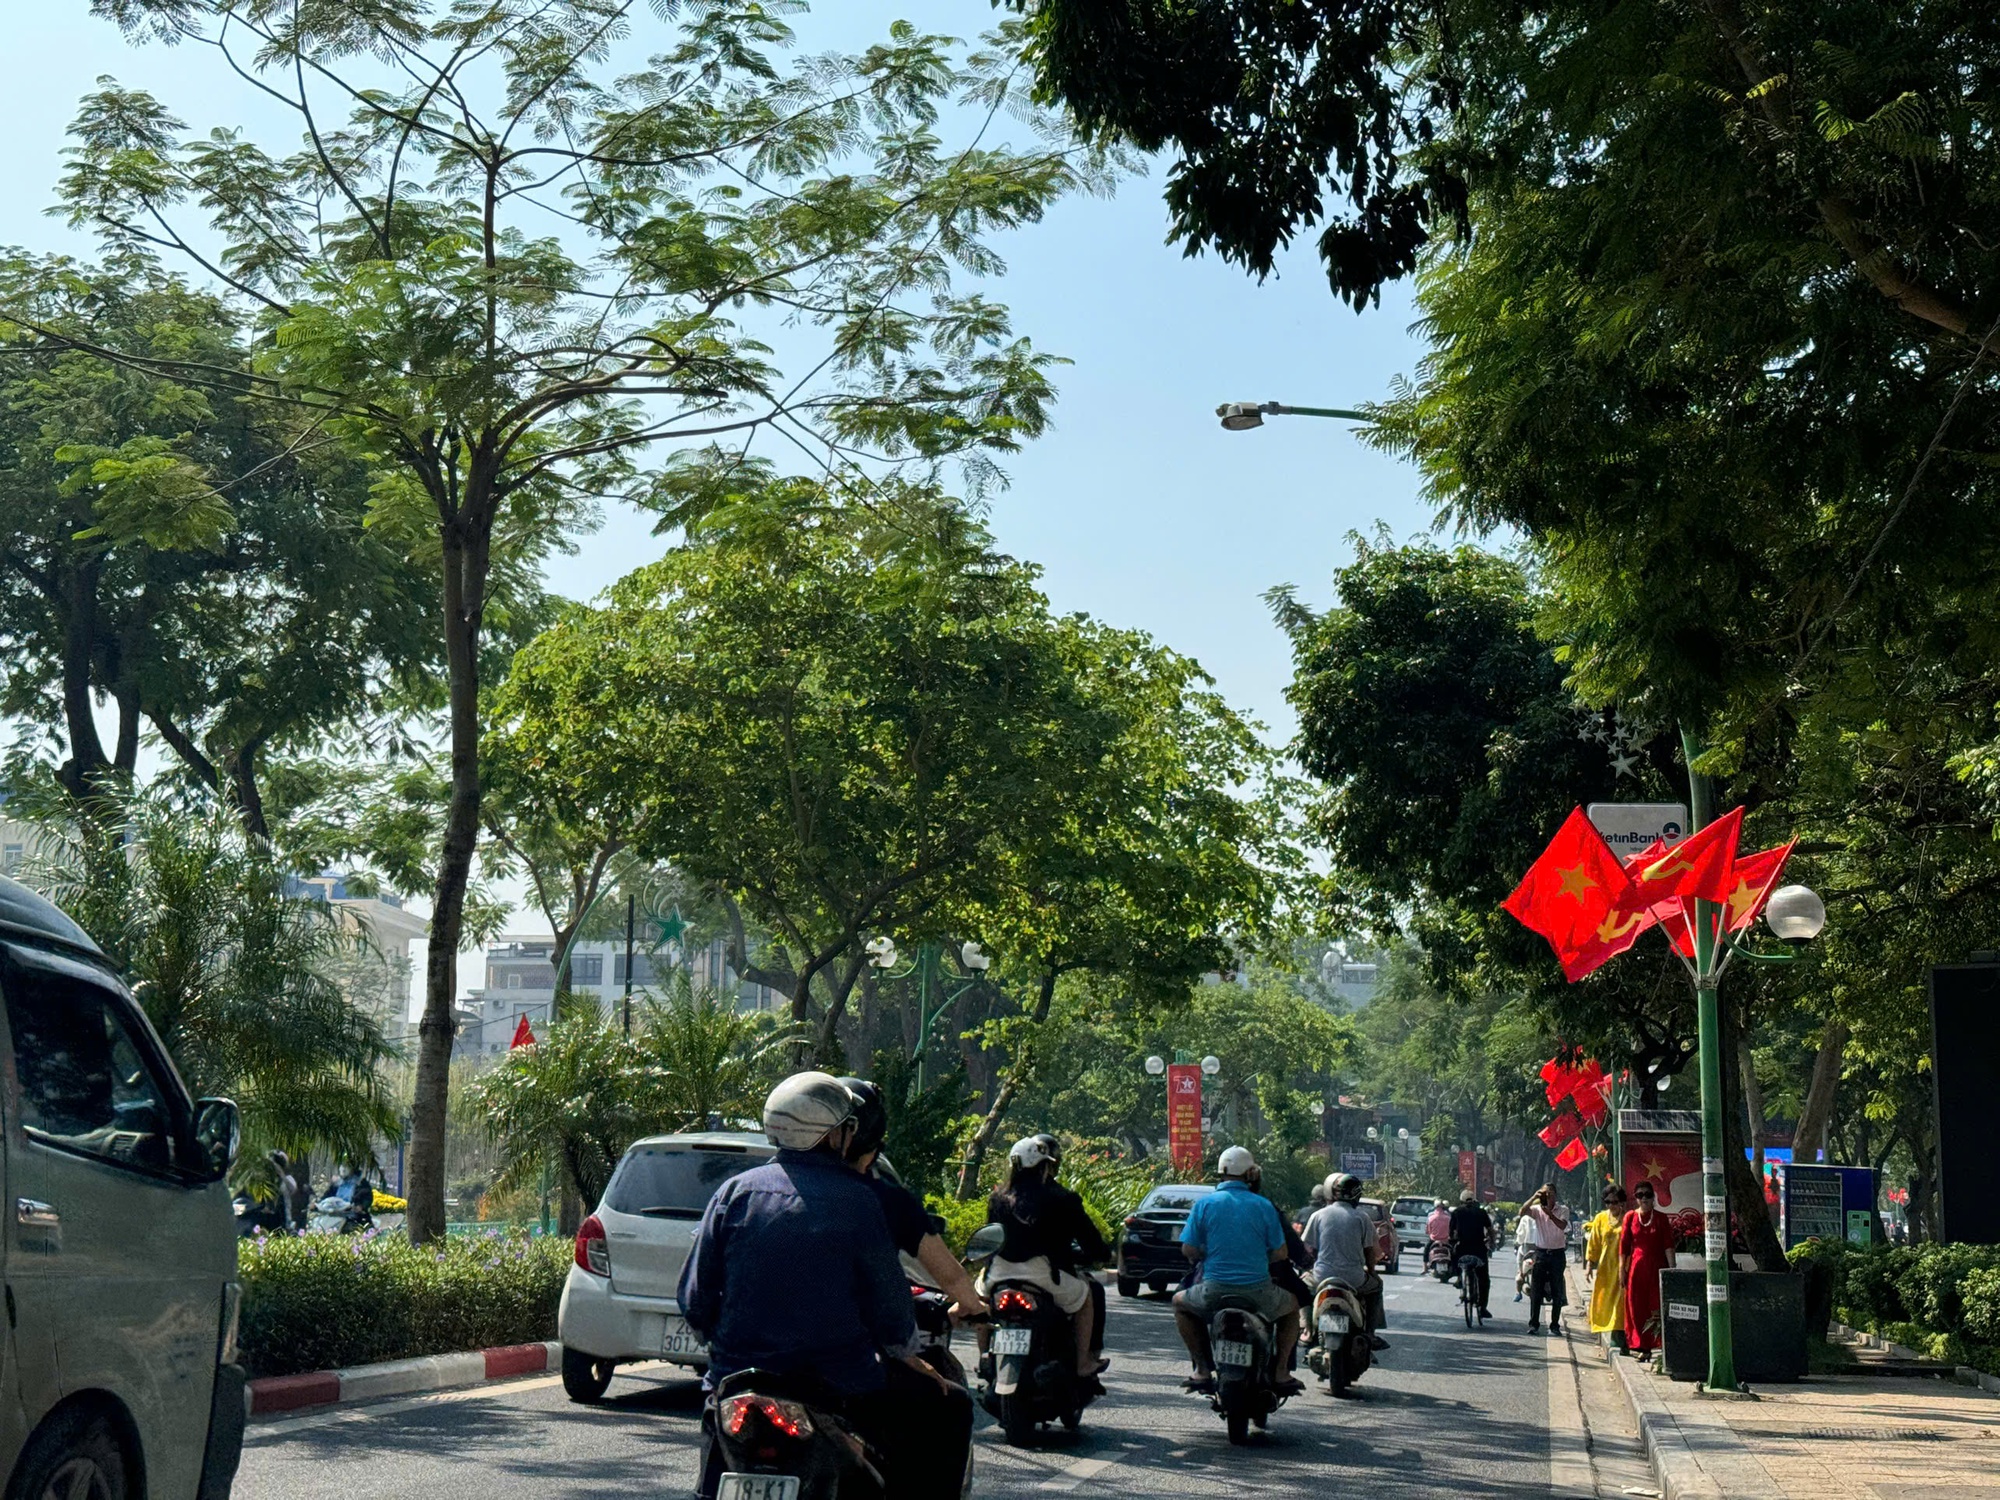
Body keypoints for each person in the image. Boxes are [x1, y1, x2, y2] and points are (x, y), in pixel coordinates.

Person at [678, 1072, 971, 1499]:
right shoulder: (859, 1201)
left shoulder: (733, 1193)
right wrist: (907, 1355)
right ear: (833, 1136)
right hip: (837, 1381)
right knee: (953, 1405)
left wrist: (724, 1350)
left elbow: (694, 1299)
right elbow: (890, 1308)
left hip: (736, 1381)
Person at [837, 1077, 988, 1323]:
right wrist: (975, 1306)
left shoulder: (758, 1188)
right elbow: (951, 1276)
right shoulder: (888, 1199)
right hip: (851, 1344)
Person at [1172, 1146, 1303, 1396]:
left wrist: (1205, 1255)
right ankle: (1281, 1371)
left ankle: (1201, 1368)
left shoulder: (1204, 1204)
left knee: (1179, 1303)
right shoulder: (1263, 1206)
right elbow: (1281, 1253)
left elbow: (1188, 1249)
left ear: (1221, 1172)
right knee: (1292, 1308)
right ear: (1251, 1173)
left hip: (1213, 1291)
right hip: (1259, 1293)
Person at [984, 1134, 1109, 1383]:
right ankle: (1083, 1362)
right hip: (1045, 1279)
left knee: (983, 1308)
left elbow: (990, 1240)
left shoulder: (997, 1200)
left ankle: (984, 1357)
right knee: (1086, 1298)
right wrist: (1101, 1255)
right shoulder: (1063, 1199)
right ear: (1045, 1167)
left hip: (998, 1276)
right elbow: (1092, 1244)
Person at [1302, 1173, 1390, 1353]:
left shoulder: (1318, 1215)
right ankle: (1371, 1333)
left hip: (1321, 1276)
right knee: (1377, 1286)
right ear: (1356, 1195)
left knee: (1302, 1286)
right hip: (1354, 1278)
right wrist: (1372, 1272)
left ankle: (1308, 1330)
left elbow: (1308, 1249)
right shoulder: (1362, 1217)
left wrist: (1308, 1267)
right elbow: (1369, 1251)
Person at [1618, 1180, 1677, 1358]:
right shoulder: (1630, 1217)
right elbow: (1624, 1246)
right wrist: (1622, 1269)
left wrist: (1672, 1270)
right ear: (1636, 1198)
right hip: (1637, 1269)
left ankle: (1655, 1343)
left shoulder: (1661, 1218)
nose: (1644, 1198)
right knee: (1635, 1306)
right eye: (1640, 1195)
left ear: (1653, 1198)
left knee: (1655, 1306)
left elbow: (1668, 1244)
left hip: (1657, 1268)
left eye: (1647, 1195)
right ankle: (1640, 1345)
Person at [1584, 1184, 1629, 1345]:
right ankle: (1612, 1331)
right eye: (1608, 1202)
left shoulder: (1628, 1218)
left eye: (1615, 1202)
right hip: (1606, 1268)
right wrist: (1589, 1264)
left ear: (1622, 1202)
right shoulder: (1600, 1219)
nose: (1612, 1205)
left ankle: (1620, 1337)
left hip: (1624, 1267)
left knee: (1621, 1303)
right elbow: (1594, 1243)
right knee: (1605, 1300)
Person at [1522, 1183, 1570, 1334]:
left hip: (1557, 1254)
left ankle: (1555, 1325)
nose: (1547, 1197)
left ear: (1555, 1195)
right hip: (1541, 1253)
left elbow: (1562, 1225)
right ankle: (1533, 1324)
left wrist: (1549, 1213)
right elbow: (1522, 1211)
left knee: (1557, 1290)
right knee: (1536, 1290)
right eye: (1545, 1194)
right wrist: (1534, 1198)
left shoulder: (1563, 1210)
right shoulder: (1537, 1210)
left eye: (1550, 1194)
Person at [1446, 1191, 1497, 1319]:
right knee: (1484, 1279)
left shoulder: (1457, 1212)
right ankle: (1482, 1307)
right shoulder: (1481, 1212)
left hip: (1462, 1249)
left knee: (1454, 1257)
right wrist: (1492, 1243)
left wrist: (1453, 1240)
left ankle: (1458, 1276)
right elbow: (1490, 1231)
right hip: (1478, 1250)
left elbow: (1451, 1232)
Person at [1513, 1204, 1537, 1300]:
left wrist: (1518, 1243)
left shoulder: (1526, 1219)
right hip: (1542, 1250)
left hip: (1526, 1250)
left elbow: (1520, 1237)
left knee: (1520, 1273)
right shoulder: (1546, 1217)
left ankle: (1517, 1293)